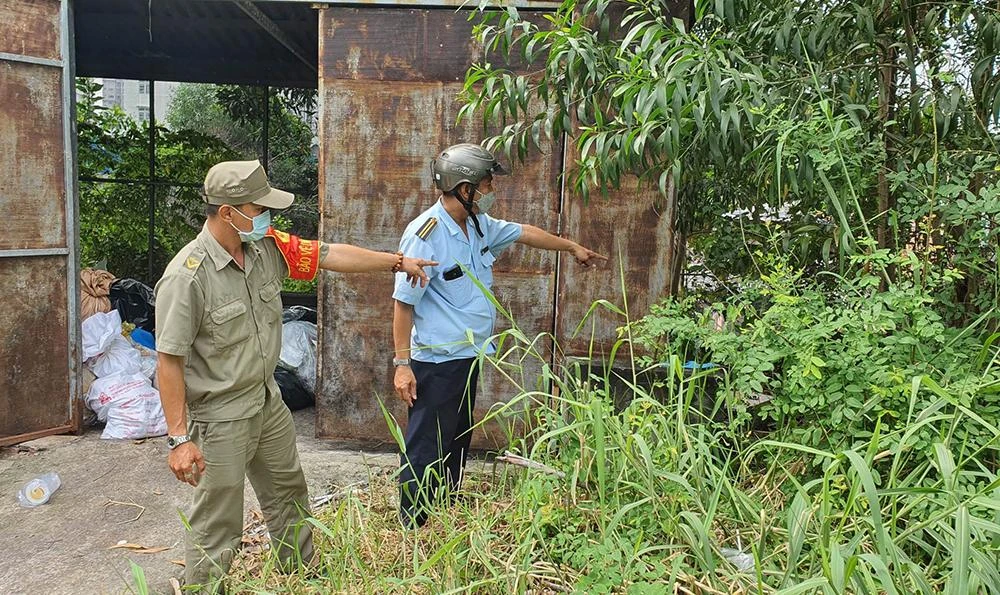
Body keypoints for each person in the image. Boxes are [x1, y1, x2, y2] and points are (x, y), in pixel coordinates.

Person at [155, 160, 435, 591]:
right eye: (258, 207)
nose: (267, 216)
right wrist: (178, 438)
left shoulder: (267, 245)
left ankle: (303, 577)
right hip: (221, 418)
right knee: (217, 523)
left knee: (289, 494)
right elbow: (169, 361)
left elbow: (328, 254)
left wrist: (396, 261)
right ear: (228, 212)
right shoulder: (187, 277)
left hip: (268, 404)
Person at [391, 143, 607, 527]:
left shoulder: (476, 225)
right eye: (487, 184)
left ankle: (444, 507)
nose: (492, 192)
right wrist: (402, 364)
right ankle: (413, 523)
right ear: (464, 188)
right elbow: (404, 303)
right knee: (426, 442)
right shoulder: (424, 235)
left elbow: (524, 232)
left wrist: (571, 247)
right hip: (436, 362)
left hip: (469, 356)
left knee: (456, 438)